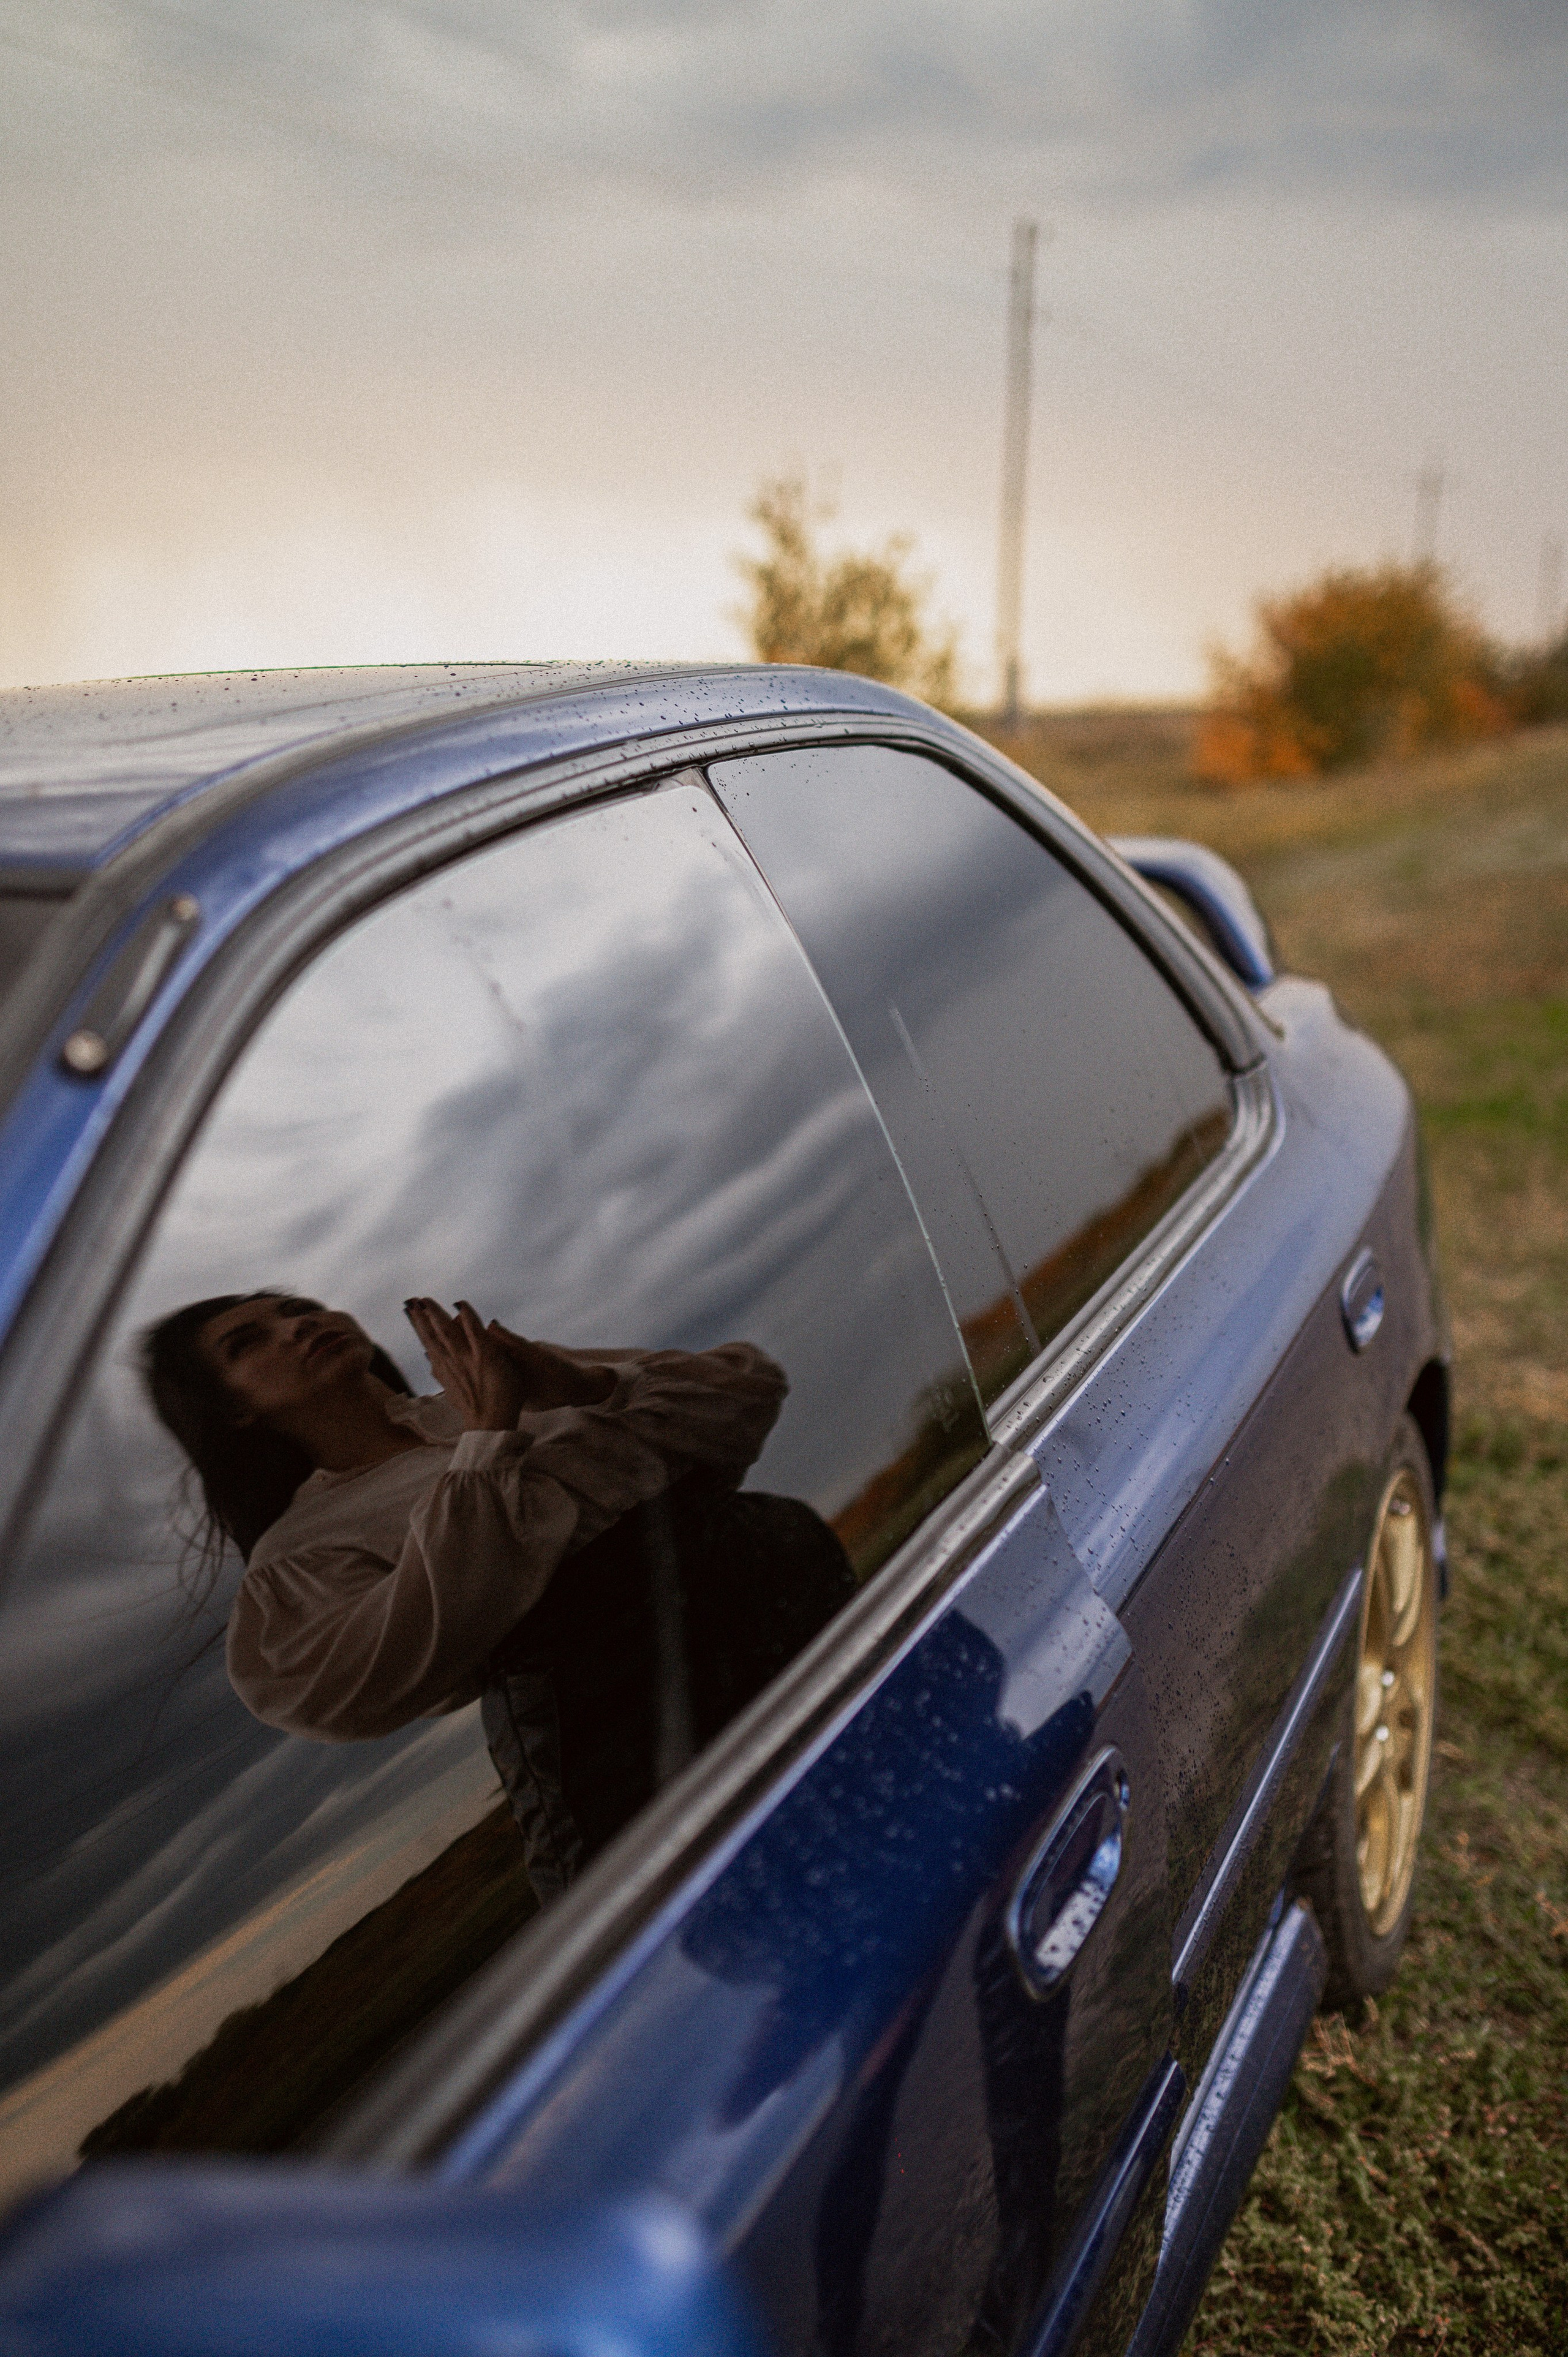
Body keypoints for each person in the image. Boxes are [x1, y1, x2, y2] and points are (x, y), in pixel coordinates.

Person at [141, 1291, 852, 1905]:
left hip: (824, 1648)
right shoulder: (301, 1553)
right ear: (230, 1409)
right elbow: (347, 1685)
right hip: (659, 1775)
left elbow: (747, 1396)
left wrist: (585, 1383)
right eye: (248, 1341)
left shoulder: (509, 1388)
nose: (297, 1324)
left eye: (297, 1308)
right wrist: (488, 1438)